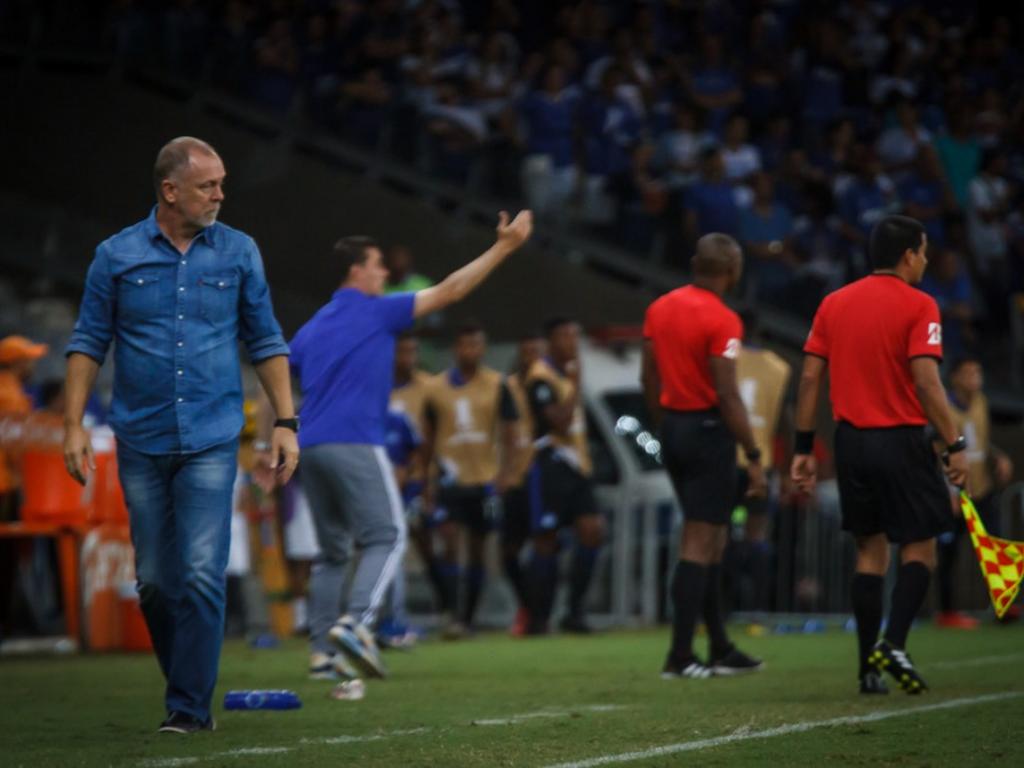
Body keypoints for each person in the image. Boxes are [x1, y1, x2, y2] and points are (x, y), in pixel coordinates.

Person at [63, 137, 298, 734]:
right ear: (170, 191)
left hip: (213, 437)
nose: (220, 195)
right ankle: (186, 688)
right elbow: (88, 341)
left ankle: (188, 709)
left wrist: (286, 423)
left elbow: (266, 339)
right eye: (207, 186)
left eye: (221, 184)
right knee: (154, 583)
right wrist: (73, 425)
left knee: (199, 573)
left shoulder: (240, 251)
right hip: (140, 439)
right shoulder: (115, 255)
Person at [290, 210, 532, 680]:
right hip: (355, 440)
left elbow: (285, 372)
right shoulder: (377, 310)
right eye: (377, 264)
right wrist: (503, 247)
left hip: (311, 447)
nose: (384, 273)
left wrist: (278, 436)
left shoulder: (310, 328)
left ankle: (322, 655)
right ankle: (357, 624)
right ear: (356, 271)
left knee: (333, 553)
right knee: (389, 535)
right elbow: (452, 290)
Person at [790, 215, 969, 696]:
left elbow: (809, 377)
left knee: (870, 551)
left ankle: (867, 671)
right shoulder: (920, 304)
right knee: (920, 546)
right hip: (902, 440)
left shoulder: (833, 302)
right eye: (923, 252)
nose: (925, 261)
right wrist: (955, 444)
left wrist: (804, 447)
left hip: (850, 442)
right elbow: (926, 382)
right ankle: (894, 643)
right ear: (909, 255)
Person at [642, 234, 767, 679]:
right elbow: (727, 394)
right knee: (699, 541)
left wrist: (667, 424)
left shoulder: (660, 308)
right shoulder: (723, 319)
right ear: (733, 271)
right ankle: (679, 655)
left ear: (696, 263)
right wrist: (753, 453)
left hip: (674, 426)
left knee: (713, 540)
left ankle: (719, 646)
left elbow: (648, 377)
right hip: (708, 431)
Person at [423, 321, 518, 636]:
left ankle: (468, 617)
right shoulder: (436, 388)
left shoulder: (497, 384)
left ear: (483, 348)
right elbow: (428, 435)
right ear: (456, 348)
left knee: (478, 549)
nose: (471, 351)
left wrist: (506, 473)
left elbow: (510, 431)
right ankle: (452, 612)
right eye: (465, 345)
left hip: (484, 479)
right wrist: (426, 479)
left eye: (476, 345)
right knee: (449, 542)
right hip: (449, 478)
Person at [522, 317, 604, 635]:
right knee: (546, 541)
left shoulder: (565, 374)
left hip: (578, 466)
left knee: (592, 531)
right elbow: (561, 423)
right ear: (551, 341)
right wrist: (575, 385)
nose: (572, 342)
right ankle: (538, 617)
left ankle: (575, 611)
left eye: (575, 335)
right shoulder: (540, 377)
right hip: (551, 464)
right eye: (565, 336)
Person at [936, 356, 1015, 628]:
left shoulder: (981, 402)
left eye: (978, 372)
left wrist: (998, 456)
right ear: (955, 377)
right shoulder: (943, 406)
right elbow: (938, 449)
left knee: (995, 545)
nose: (975, 378)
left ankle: (1004, 604)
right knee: (949, 551)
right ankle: (947, 611)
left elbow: (978, 441)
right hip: (956, 490)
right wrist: (949, 492)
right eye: (969, 373)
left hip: (983, 489)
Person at [729, 315, 791, 613]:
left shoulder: (726, 359)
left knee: (718, 534)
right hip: (760, 465)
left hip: (727, 458)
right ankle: (757, 611)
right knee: (757, 534)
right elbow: (786, 423)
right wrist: (787, 469)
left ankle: (721, 608)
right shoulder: (778, 367)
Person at [502, 330, 545, 635]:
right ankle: (528, 607)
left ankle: (538, 614)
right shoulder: (507, 387)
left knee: (542, 545)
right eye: (527, 352)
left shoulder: (550, 385)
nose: (532, 359)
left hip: (541, 474)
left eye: (536, 352)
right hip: (515, 477)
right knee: (509, 550)